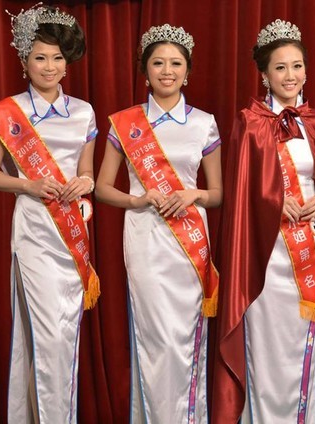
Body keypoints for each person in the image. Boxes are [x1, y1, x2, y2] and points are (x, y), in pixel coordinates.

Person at [212, 19, 315, 424]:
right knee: (268, 347)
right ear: (264, 74)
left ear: (307, 70)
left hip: (310, 248)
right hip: (267, 253)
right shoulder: (249, 122)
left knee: (303, 342)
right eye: (280, 67)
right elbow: (240, 195)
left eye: (297, 66)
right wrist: (275, 206)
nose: (290, 75)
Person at [95, 23, 222, 423]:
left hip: (190, 241)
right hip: (145, 236)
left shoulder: (204, 122)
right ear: (145, 70)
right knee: (155, 338)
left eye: (176, 63)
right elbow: (102, 188)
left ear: (188, 71)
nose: (167, 71)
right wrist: (136, 199)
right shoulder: (125, 123)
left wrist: (193, 194)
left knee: (185, 337)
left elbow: (217, 193)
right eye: (158, 63)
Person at [0, 4, 99, 422]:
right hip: (34, 232)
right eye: (40, 57)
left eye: (57, 57)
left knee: (63, 336)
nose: (50, 67)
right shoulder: (7, 112)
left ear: (68, 62)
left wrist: (86, 183)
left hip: (73, 233)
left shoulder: (83, 112)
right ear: (24, 61)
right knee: (48, 337)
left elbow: (87, 172)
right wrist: (28, 185)